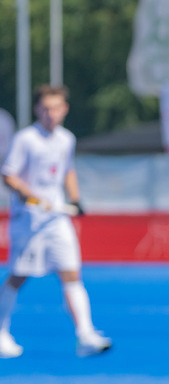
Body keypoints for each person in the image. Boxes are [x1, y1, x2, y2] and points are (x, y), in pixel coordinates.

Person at [0, 84, 112, 358]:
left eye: (56, 108)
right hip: (28, 221)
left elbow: (68, 170)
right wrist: (32, 197)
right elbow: (9, 175)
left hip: (57, 220)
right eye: (46, 108)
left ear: (65, 109)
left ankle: (85, 335)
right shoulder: (26, 139)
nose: (51, 113)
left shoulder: (66, 139)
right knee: (18, 277)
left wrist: (75, 198)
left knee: (71, 272)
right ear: (38, 109)